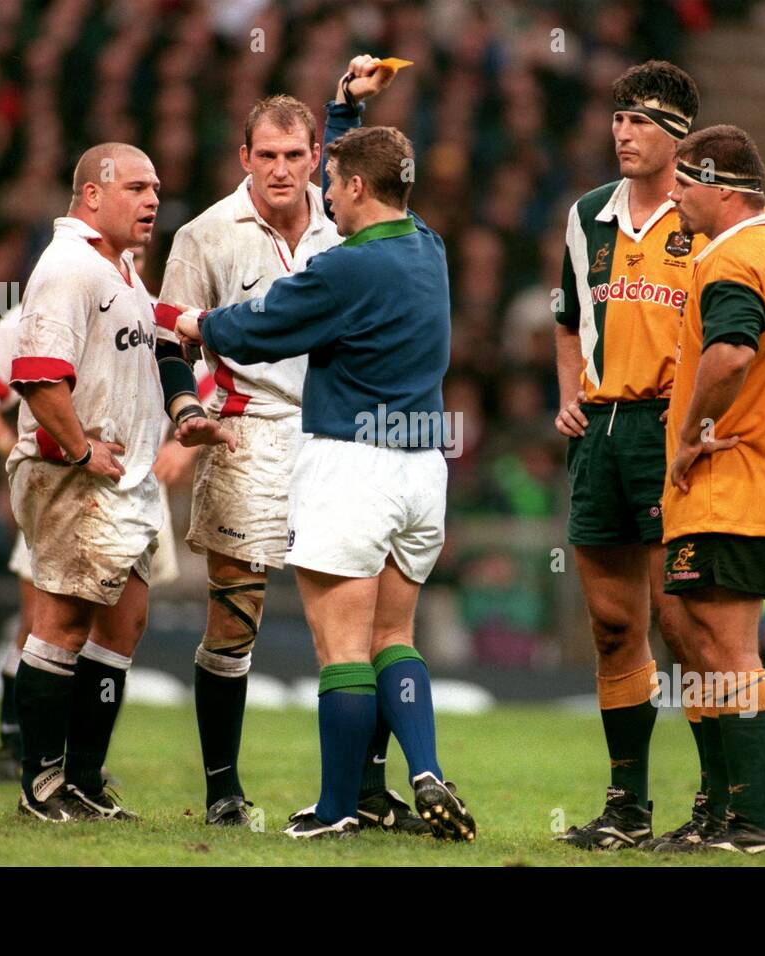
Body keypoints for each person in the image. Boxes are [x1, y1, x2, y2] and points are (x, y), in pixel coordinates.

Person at [176, 55, 474, 841]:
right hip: (422, 470)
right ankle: (423, 766)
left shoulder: (342, 269)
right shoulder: (430, 249)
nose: (320, 193)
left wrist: (195, 325)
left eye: (328, 181)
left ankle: (339, 808)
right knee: (393, 639)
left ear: (353, 191)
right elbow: (361, 174)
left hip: (351, 463)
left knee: (340, 646)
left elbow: (259, 327)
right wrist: (342, 117)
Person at [552, 62, 765, 852]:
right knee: (614, 627)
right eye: (617, 116)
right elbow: (567, 314)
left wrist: (749, 391)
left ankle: (728, 806)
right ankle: (628, 806)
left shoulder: (730, 233)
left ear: (683, 141)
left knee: (692, 627)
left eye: (641, 119)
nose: (622, 131)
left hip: (678, 434)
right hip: (604, 430)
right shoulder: (587, 216)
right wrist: (567, 390)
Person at [7, 142, 232, 822]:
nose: (153, 199)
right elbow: (38, 374)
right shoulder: (69, 267)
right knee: (63, 624)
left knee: (124, 625)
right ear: (92, 194)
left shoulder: (123, 270)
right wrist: (80, 451)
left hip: (125, 479)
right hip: (75, 475)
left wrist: (203, 333)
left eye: (156, 188)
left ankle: (82, 779)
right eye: (137, 186)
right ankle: (39, 788)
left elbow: (159, 331)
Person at [0, 245, 194, 783]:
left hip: (133, 488)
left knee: (118, 628)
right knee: (47, 622)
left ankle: (81, 770)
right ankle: (16, 749)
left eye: (146, 246)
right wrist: (15, 453)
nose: (139, 249)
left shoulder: (145, 307)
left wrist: (182, 440)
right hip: (69, 485)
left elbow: (199, 367)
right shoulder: (57, 294)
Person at [662, 124, 765, 853]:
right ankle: (729, 814)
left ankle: (754, 824)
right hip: (747, 477)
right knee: (704, 642)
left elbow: (730, 352)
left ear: (725, 191)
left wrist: (694, 429)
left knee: (727, 647)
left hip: (734, 477)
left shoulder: (735, 256)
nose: (674, 195)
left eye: (685, 181)